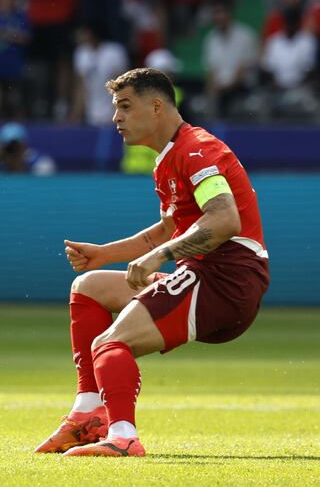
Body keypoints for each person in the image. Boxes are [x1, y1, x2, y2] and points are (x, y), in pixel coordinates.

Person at [35, 68, 268, 457]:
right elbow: (167, 229)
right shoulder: (169, 157)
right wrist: (106, 254)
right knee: (88, 288)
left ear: (156, 106)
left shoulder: (197, 151)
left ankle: (123, 436)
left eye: (125, 106)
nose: (116, 118)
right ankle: (88, 413)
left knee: (109, 343)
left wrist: (161, 256)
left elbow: (226, 219)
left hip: (225, 280)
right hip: (203, 275)